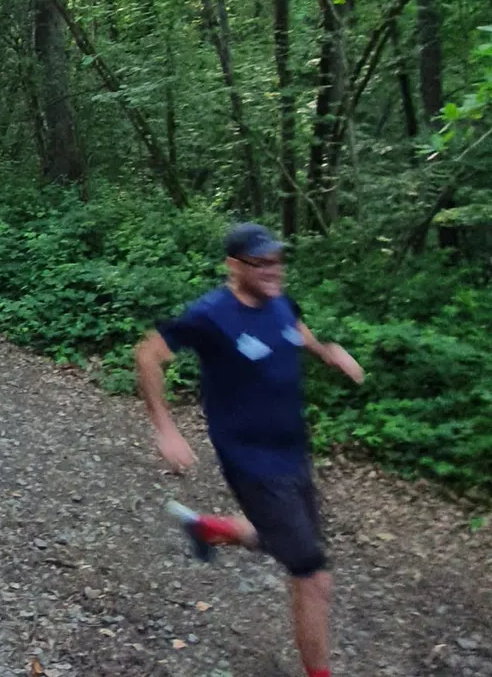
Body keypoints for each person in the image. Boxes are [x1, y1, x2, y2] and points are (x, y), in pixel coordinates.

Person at [134, 222, 365, 677]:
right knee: (313, 574)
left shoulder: (279, 301)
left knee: (284, 537)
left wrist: (326, 352)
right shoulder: (210, 315)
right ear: (233, 266)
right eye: (260, 263)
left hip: (294, 450)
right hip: (251, 461)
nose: (272, 270)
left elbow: (297, 330)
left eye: (276, 260)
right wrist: (166, 429)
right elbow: (148, 355)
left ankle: (209, 528)